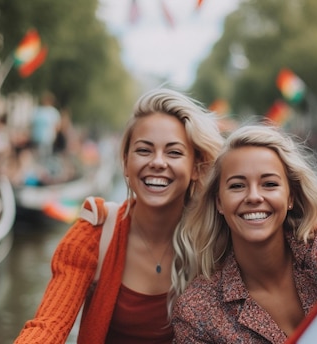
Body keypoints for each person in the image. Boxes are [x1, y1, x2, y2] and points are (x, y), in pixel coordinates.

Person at [14, 88, 224, 343]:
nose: (158, 162)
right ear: (125, 163)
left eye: (174, 152)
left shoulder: (216, 241)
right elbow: (48, 325)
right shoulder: (94, 231)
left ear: (196, 167)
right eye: (144, 150)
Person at [170, 124, 317, 343]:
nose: (254, 197)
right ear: (219, 202)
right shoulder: (197, 311)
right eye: (237, 186)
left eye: (269, 184)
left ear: (290, 197)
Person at [30, 91, 61, 164]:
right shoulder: (38, 110)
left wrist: (54, 136)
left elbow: (57, 126)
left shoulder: (53, 112)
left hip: (47, 139)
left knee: (44, 158)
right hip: (36, 138)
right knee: (36, 158)